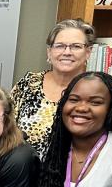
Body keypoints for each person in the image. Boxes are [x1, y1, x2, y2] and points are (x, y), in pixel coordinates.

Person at [11, 19, 96, 156]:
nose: (67, 52)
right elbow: (6, 129)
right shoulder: (28, 84)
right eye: (60, 46)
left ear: (88, 52)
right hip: (24, 172)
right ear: (49, 52)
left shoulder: (97, 91)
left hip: (73, 174)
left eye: (76, 46)